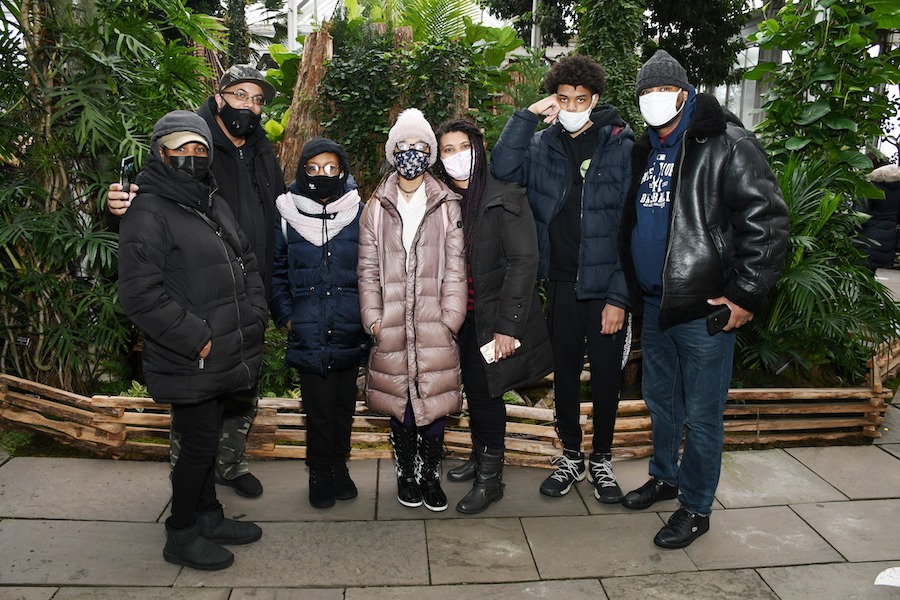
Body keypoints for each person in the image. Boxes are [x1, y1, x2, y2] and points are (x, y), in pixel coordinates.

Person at [619, 50, 789, 548]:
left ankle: (695, 506)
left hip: (706, 311)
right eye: (645, 93)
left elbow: (769, 221)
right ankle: (665, 477)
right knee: (661, 401)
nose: (654, 100)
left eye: (663, 90)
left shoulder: (728, 144)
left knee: (703, 412)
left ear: (685, 93)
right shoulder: (645, 150)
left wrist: (746, 294)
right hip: (657, 304)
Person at [107, 65, 284, 499]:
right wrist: (116, 205)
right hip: (199, 297)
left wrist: (266, 301)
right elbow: (150, 211)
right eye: (241, 95)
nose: (250, 106)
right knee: (198, 405)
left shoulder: (263, 150)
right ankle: (189, 491)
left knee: (241, 392)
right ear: (220, 97)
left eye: (258, 99)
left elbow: (278, 213)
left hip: (247, 293)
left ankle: (231, 463)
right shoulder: (194, 144)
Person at [117, 110, 267, 570]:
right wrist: (197, 338)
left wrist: (256, 313)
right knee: (199, 446)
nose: (191, 156)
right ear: (159, 153)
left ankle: (208, 515)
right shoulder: (147, 210)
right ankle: (180, 532)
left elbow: (246, 261)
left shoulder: (210, 201)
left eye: (199, 148)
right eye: (180, 148)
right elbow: (139, 295)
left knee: (204, 439)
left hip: (225, 348)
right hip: (193, 354)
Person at [490, 55, 634, 502]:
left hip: (607, 287)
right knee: (566, 375)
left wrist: (619, 296)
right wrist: (528, 116)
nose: (572, 105)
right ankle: (571, 456)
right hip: (559, 281)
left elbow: (632, 227)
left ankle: (602, 461)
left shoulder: (622, 146)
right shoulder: (541, 145)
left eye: (581, 98)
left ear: (595, 100)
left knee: (608, 377)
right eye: (563, 97)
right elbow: (502, 168)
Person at [432, 118, 553, 514]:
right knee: (474, 390)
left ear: (478, 149)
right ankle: (480, 454)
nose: (455, 157)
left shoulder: (505, 196)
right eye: (446, 150)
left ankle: (491, 478)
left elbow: (524, 262)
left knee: (487, 395)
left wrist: (507, 328)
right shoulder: (443, 199)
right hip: (460, 320)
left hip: (493, 320)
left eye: (461, 147)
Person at [357, 108, 467, 512]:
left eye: (421, 146)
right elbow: (367, 268)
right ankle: (405, 471)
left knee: (433, 399)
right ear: (392, 152)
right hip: (389, 322)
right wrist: (373, 318)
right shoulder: (375, 206)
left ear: (431, 153)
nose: (412, 153)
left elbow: (456, 266)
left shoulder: (445, 204)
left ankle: (429, 474)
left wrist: (451, 318)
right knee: (400, 402)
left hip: (434, 322)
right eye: (404, 145)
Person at [269, 137, 369, 509]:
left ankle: (339, 467)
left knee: (344, 406)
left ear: (342, 171)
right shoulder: (285, 212)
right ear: (301, 170)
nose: (322, 176)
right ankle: (319, 469)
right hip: (308, 329)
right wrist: (286, 317)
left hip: (348, 326)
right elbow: (276, 270)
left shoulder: (358, 211)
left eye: (331, 168)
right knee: (318, 408)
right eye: (313, 168)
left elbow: (370, 268)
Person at [860, 160, 900, 271]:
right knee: (872, 272)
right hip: (888, 239)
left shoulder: (870, 187)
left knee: (863, 271)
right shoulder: (898, 190)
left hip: (867, 237)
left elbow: (861, 213)